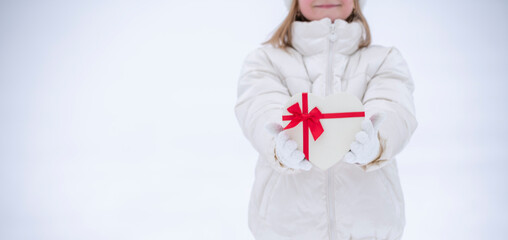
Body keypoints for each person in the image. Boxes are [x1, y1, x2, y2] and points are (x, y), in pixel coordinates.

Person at [234, 0, 418, 239]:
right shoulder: (266, 61)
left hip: (368, 228)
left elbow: (394, 107)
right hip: (285, 228)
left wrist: (377, 142)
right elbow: (260, 106)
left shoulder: (384, 60)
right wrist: (280, 145)